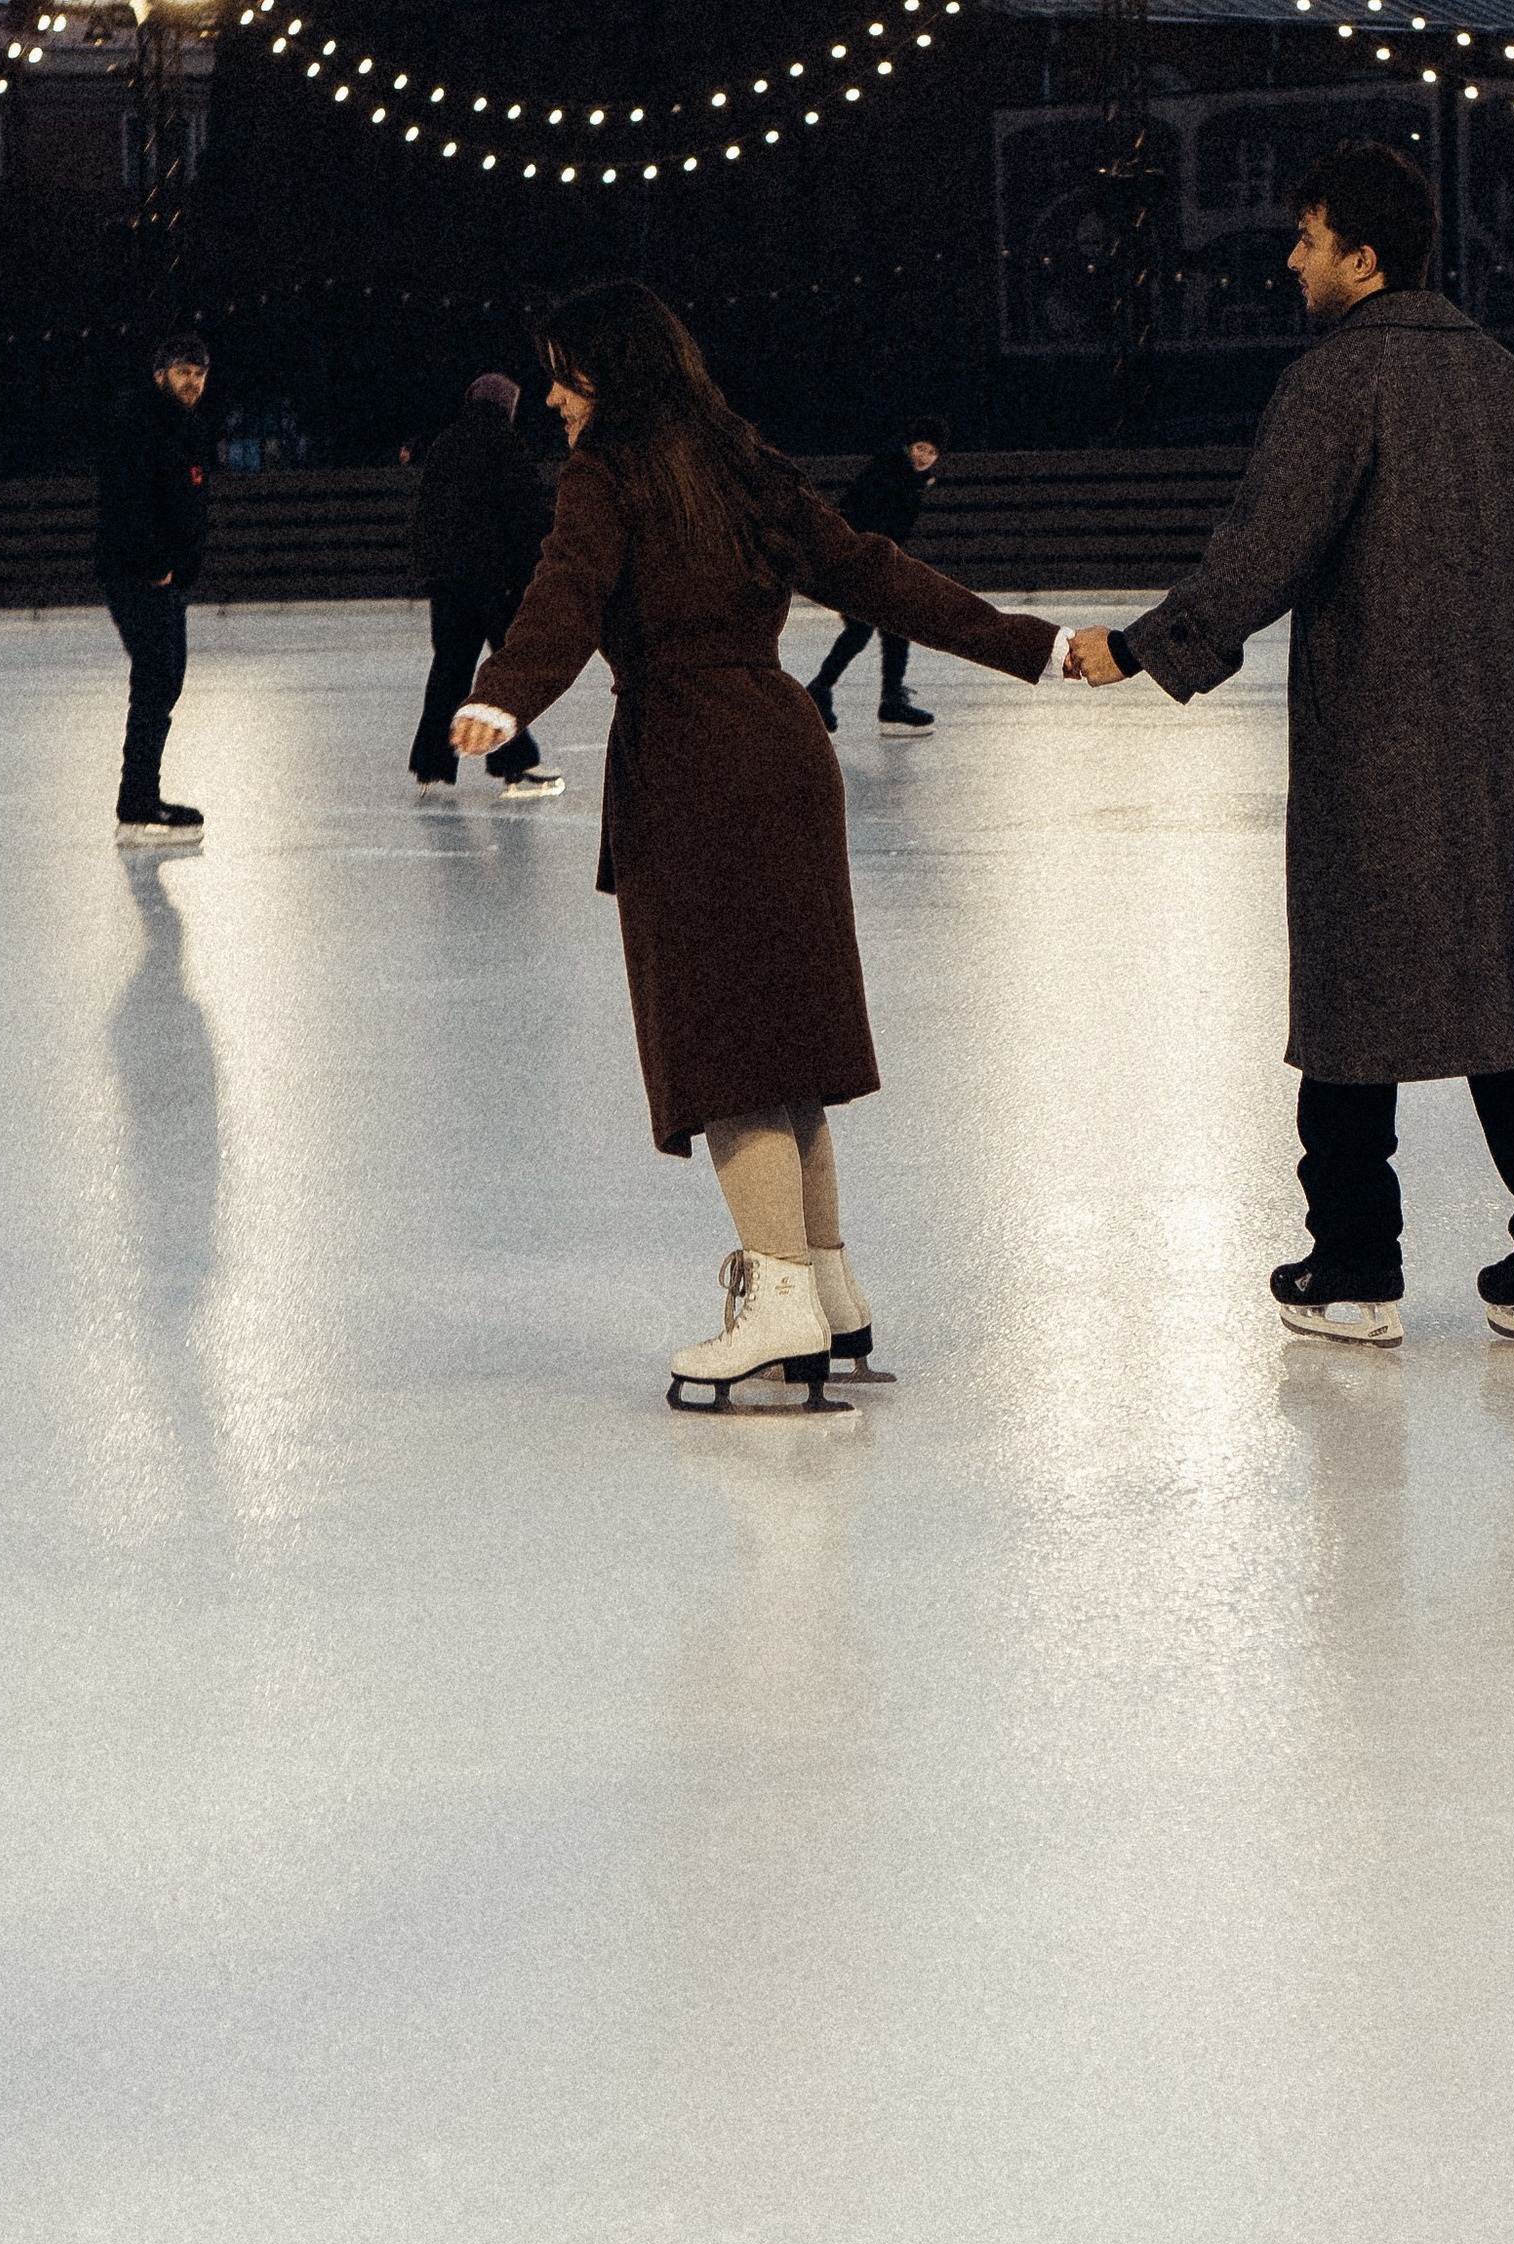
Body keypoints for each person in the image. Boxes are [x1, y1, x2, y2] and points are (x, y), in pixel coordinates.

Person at [448, 287, 1058, 1406]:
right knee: (792, 1043)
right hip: (783, 750)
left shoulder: (609, 476)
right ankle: (825, 1288)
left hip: (689, 763)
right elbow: (873, 570)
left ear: (612, 377)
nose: (552, 398)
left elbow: (565, 594)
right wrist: (1031, 644)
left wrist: (504, 693)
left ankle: (775, 1297)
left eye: (566, 375)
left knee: (728, 1049)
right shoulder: (739, 460)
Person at [1066, 140, 1514, 1352]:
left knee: (1355, 1010)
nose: (1291, 258)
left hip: (1383, 741)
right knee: (1511, 1005)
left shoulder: (1337, 381)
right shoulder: (1510, 383)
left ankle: (1355, 1265)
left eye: (1307, 238)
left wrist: (1148, 645)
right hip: (1509, 744)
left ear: (1362, 258)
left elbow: (1265, 552)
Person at [407, 372, 562, 801]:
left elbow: (427, 514)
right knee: (506, 669)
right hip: (497, 583)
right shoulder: (508, 446)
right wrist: (530, 573)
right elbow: (527, 516)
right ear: (506, 407)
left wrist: (433, 572)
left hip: (450, 583)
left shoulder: (445, 444)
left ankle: (431, 765)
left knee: (450, 669)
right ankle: (515, 763)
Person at [95, 330, 213, 850]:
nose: (192, 381)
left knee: (164, 681)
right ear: (160, 375)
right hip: (139, 572)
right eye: (183, 372)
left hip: (161, 574)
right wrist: (155, 564)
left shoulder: (180, 424)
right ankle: (137, 801)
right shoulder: (139, 421)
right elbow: (128, 497)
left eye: (199, 373)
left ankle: (141, 795)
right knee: (157, 678)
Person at [805, 423, 949, 733]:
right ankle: (865, 697)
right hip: (855, 560)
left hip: (866, 560)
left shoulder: (908, 476)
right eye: (921, 448)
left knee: (884, 627)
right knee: (874, 627)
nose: (924, 456)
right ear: (908, 446)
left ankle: (842, 692)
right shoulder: (889, 473)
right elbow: (867, 519)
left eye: (932, 452)